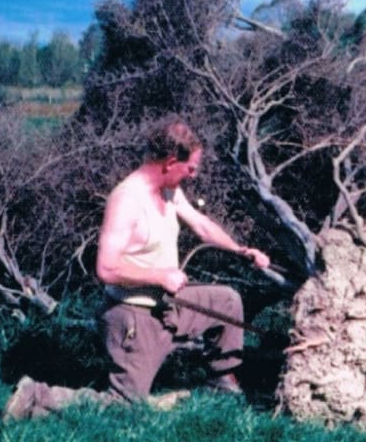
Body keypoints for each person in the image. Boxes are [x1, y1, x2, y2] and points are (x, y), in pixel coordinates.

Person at [95, 117, 271, 403]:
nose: (193, 175)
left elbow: (201, 226)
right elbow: (106, 268)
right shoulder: (126, 200)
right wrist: (160, 276)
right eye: (190, 168)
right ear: (170, 162)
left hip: (167, 304)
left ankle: (222, 382)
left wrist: (240, 250)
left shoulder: (169, 190)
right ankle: (36, 398)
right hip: (134, 316)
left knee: (226, 301)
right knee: (125, 403)